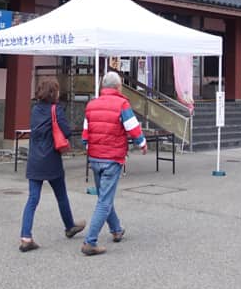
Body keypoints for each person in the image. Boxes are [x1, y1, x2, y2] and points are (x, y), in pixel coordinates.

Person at [80, 71, 147, 256]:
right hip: (112, 158)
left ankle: (116, 229)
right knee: (104, 201)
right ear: (118, 87)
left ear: (103, 86)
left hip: (95, 158)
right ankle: (90, 242)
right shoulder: (122, 104)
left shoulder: (91, 104)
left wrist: (90, 148)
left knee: (104, 196)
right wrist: (142, 143)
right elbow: (133, 127)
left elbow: (85, 133)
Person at [18, 77, 85, 252]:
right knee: (61, 195)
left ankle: (26, 237)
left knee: (32, 198)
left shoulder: (35, 110)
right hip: (51, 159)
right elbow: (66, 132)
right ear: (53, 93)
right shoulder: (56, 109)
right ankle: (69, 226)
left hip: (34, 159)